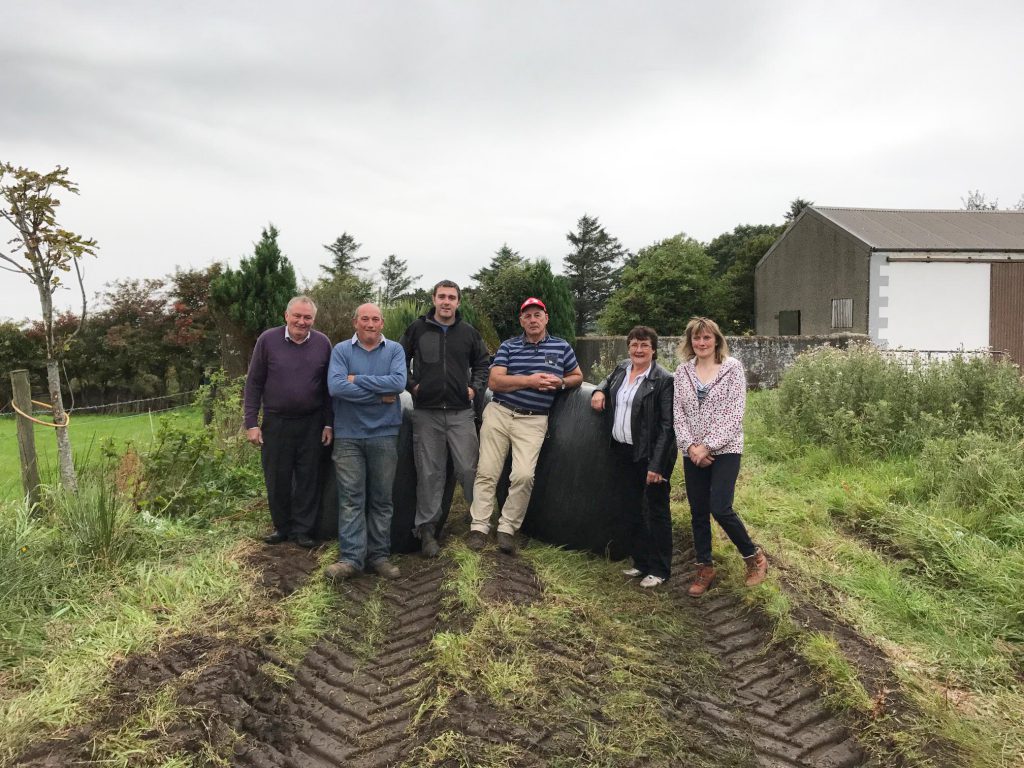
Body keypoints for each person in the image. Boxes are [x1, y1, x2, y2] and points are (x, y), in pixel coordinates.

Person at [468, 297, 583, 554]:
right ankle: (479, 526)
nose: (533, 320)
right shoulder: (509, 346)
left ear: (546, 318)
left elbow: (577, 376)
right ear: (521, 320)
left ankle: (507, 528)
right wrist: (529, 381)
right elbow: (495, 382)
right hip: (500, 413)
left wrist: (561, 383)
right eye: (527, 315)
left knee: (523, 475)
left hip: (534, 419)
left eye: (537, 315)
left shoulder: (561, 347)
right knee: (487, 471)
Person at [673, 317, 768, 597]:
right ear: (690, 343)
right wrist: (691, 447)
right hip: (692, 451)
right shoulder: (682, 372)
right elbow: (678, 413)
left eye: (706, 338)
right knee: (698, 511)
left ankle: (754, 558)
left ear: (717, 340)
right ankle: (705, 567)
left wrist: (708, 446)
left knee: (720, 507)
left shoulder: (732, 369)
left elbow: (734, 414)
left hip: (725, 450)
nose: (701, 343)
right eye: (696, 338)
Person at [399, 280, 490, 558]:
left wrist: (475, 388)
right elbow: (398, 361)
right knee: (430, 472)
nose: (446, 302)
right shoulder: (417, 329)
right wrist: (413, 386)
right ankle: (427, 530)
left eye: (452, 297)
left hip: (462, 413)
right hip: (426, 414)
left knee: (468, 469)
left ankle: (479, 523)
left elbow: (483, 363)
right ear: (434, 299)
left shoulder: (468, 333)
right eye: (442, 297)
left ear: (458, 302)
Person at [325, 303, 407, 581]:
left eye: (375, 319)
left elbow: (397, 384)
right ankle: (351, 559)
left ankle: (379, 557)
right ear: (355, 322)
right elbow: (336, 387)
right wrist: (376, 396)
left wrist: (356, 380)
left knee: (382, 499)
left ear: (382, 323)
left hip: (384, 433)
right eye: (364, 319)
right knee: (351, 499)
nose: (370, 324)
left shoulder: (395, 350)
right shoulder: (341, 351)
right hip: (348, 434)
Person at [243, 296, 333, 549]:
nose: (301, 322)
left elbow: (329, 388)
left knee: (308, 478)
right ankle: (282, 527)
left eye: (307, 318)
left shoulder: (323, 343)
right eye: (297, 316)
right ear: (286, 316)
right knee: (277, 477)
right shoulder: (267, 340)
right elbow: (254, 383)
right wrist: (251, 422)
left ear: (313, 320)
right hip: (276, 422)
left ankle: (303, 530)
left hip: (312, 423)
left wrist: (329, 423)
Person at [591, 326, 676, 588]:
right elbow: (607, 381)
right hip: (622, 451)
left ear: (654, 350)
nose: (638, 350)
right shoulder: (622, 368)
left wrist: (657, 464)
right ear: (628, 347)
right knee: (631, 508)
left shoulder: (663, 379)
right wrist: (598, 390)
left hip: (649, 454)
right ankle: (640, 562)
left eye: (644, 346)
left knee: (656, 511)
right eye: (634, 345)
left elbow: (667, 426)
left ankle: (660, 569)